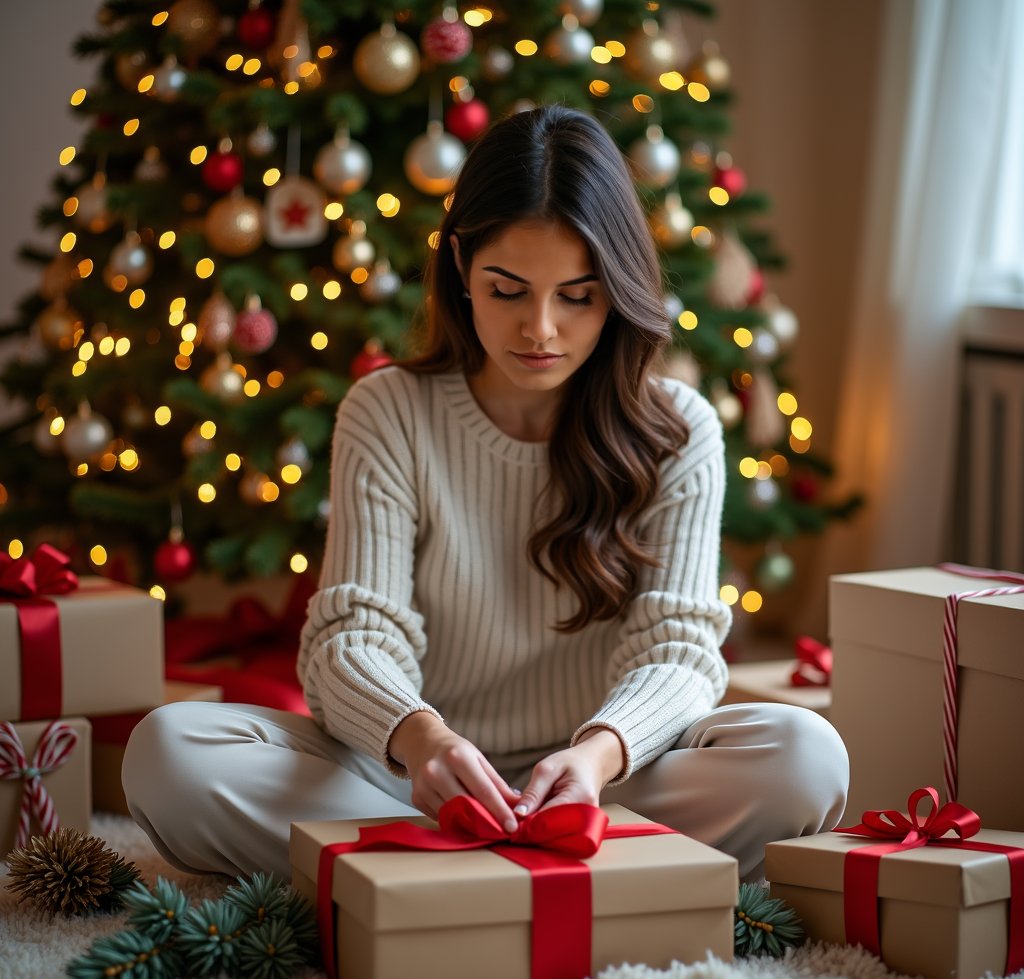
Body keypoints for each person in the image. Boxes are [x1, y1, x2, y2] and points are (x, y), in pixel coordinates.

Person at [123, 105, 848, 884]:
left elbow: (676, 650)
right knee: (167, 753)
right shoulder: (388, 411)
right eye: (509, 289)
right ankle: (552, 869)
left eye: (578, 296)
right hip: (407, 778)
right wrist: (423, 741)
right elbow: (351, 635)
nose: (541, 329)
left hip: (607, 781)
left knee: (806, 757)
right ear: (461, 267)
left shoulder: (679, 427)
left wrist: (595, 758)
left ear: (619, 292)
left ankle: (409, 877)